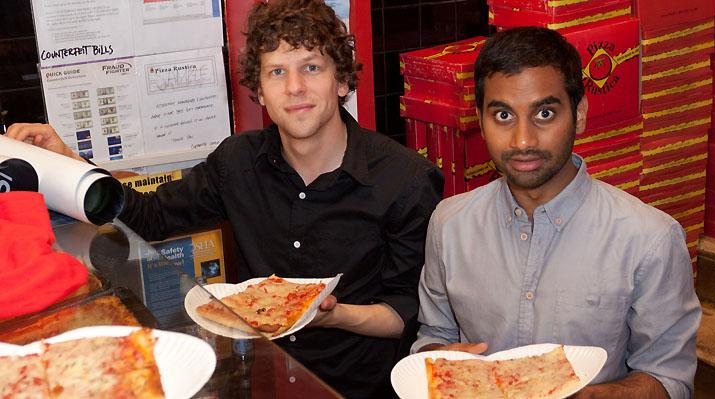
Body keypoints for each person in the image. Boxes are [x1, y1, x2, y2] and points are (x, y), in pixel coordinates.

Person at [6, 0, 443, 397]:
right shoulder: (237, 160)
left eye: (311, 67)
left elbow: (403, 313)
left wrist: (333, 314)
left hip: (357, 388)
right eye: (277, 72)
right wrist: (68, 161)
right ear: (260, 91)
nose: (294, 87)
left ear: (343, 80)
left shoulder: (405, 179)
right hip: (263, 379)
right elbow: (150, 216)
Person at [412, 27, 701, 399]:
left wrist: (597, 396)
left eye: (544, 113)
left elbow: (669, 379)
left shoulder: (649, 239)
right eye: (502, 115)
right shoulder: (449, 224)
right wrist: (437, 359)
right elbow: (433, 338)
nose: (522, 141)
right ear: (480, 121)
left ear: (579, 114)